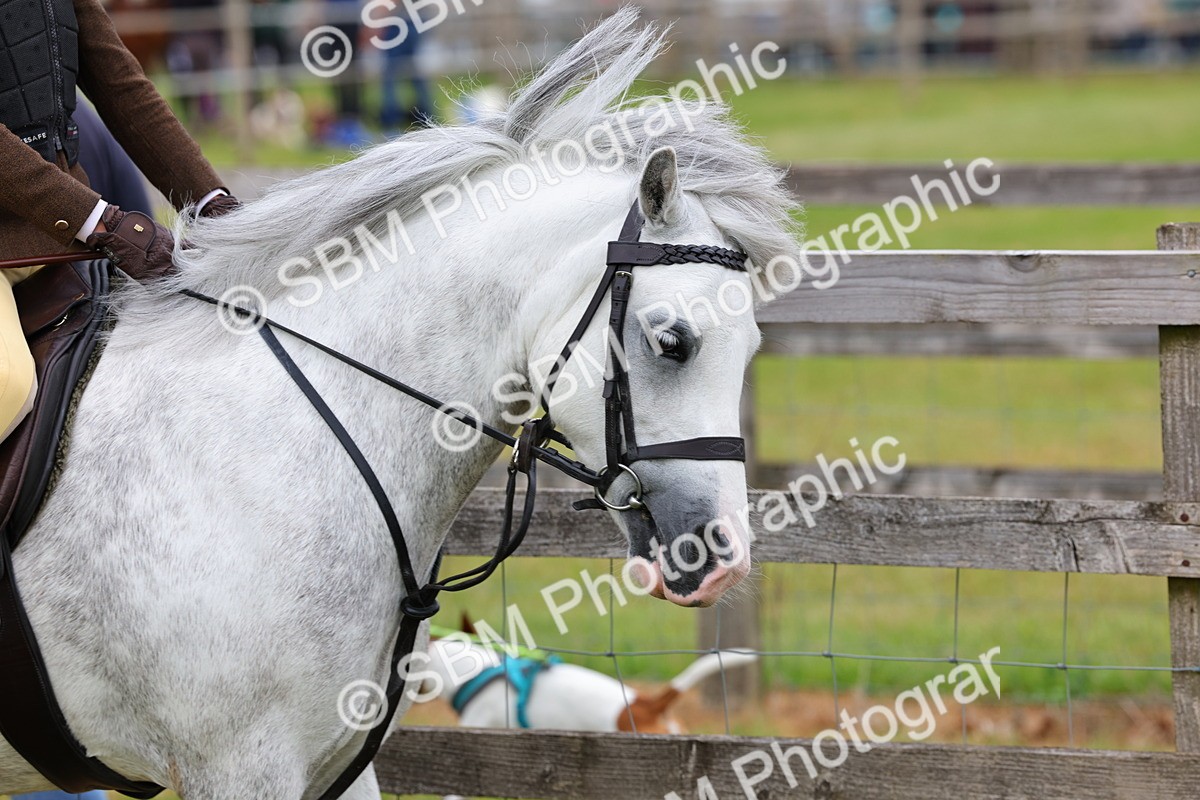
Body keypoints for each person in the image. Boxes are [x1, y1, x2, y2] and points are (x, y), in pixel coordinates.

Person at [0, 0, 239, 442]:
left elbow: (124, 87)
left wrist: (214, 203)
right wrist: (100, 221)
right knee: (6, 385)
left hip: (60, 240)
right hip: (53, 231)